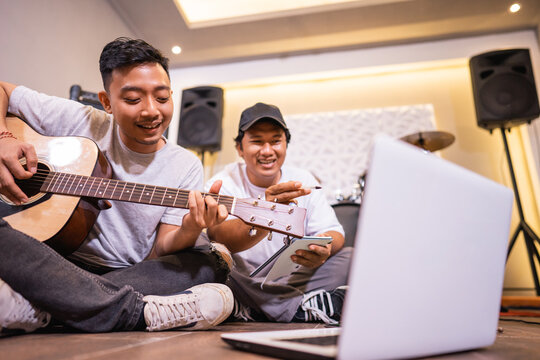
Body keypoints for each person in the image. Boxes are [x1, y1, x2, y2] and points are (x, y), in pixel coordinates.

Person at [0, 37, 234, 335]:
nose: (151, 111)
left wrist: (190, 227)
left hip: (129, 273)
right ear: (107, 101)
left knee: (212, 261)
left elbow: (160, 250)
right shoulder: (80, 119)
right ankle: (136, 311)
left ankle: (46, 305)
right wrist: (4, 138)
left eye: (162, 98)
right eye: (134, 100)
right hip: (53, 259)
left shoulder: (185, 165)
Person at [205, 102, 352, 324]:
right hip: (243, 281)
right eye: (256, 141)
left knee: (349, 256)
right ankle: (300, 307)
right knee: (209, 262)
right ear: (240, 149)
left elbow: (333, 232)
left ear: (285, 145)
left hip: (289, 279)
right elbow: (220, 236)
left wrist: (323, 247)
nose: (267, 150)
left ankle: (253, 309)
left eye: (276, 141)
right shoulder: (223, 183)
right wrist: (266, 211)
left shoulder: (302, 180)